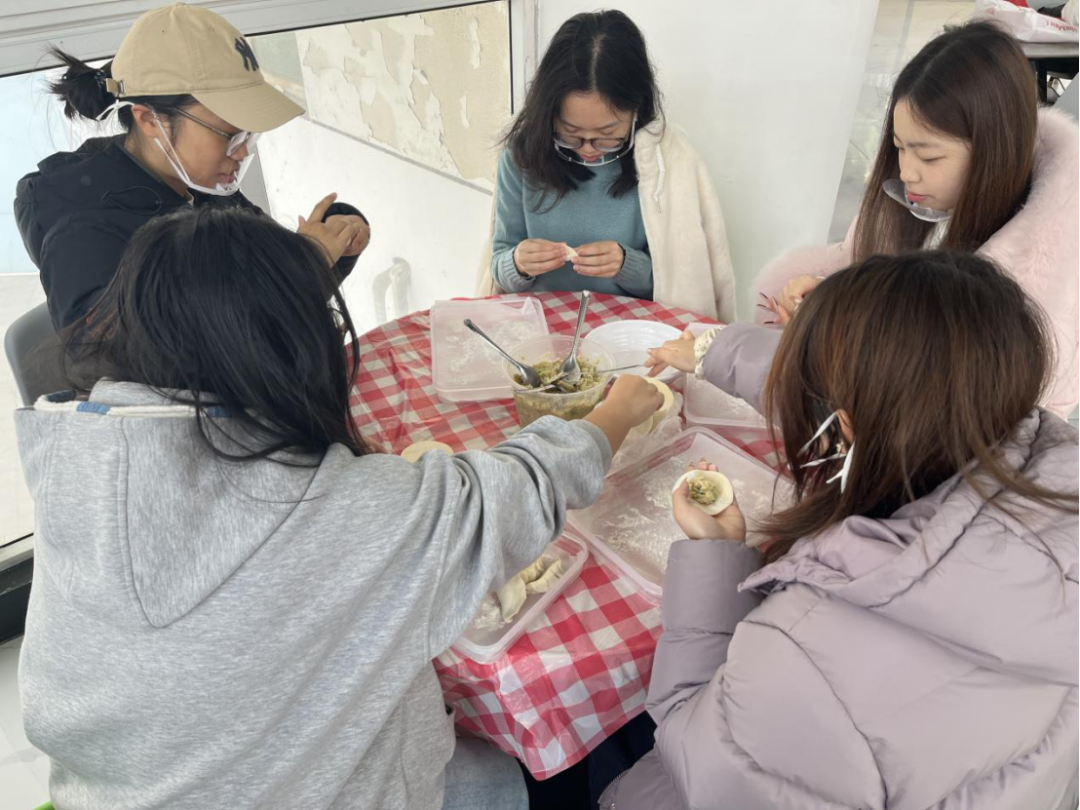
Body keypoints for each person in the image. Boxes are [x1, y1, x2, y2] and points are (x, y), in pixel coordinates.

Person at [13, 206, 662, 810]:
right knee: (555, 768)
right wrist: (616, 412)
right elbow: (515, 492)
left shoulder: (74, 443)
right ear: (288, 349)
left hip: (101, 790)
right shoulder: (339, 507)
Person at [605, 250, 1080, 809]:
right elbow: (880, 391)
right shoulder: (1045, 464)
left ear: (845, 426)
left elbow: (697, 742)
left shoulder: (811, 660)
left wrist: (714, 556)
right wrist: (715, 351)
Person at [754, 21, 1079, 417]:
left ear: (995, 152)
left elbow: (947, 403)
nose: (907, 172)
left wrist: (832, 331)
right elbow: (879, 286)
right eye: (899, 148)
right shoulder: (911, 207)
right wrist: (831, 297)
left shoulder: (1038, 292)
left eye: (928, 157)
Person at [15, 3, 370, 331]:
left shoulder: (202, 187)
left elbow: (274, 308)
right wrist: (301, 264)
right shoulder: (83, 234)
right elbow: (147, 357)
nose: (242, 152)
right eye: (228, 134)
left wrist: (332, 248)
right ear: (150, 120)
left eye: (249, 134)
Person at [478, 10, 736, 322]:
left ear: (637, 112)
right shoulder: (522, 156)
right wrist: (518, 264)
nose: (588, 149)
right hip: (540, 326)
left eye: (607, 136)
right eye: (570, 134)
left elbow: (682, 285)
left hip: (631, 331)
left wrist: (627, 264)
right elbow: (499, 270)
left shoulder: (665, 163)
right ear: (548, 115)